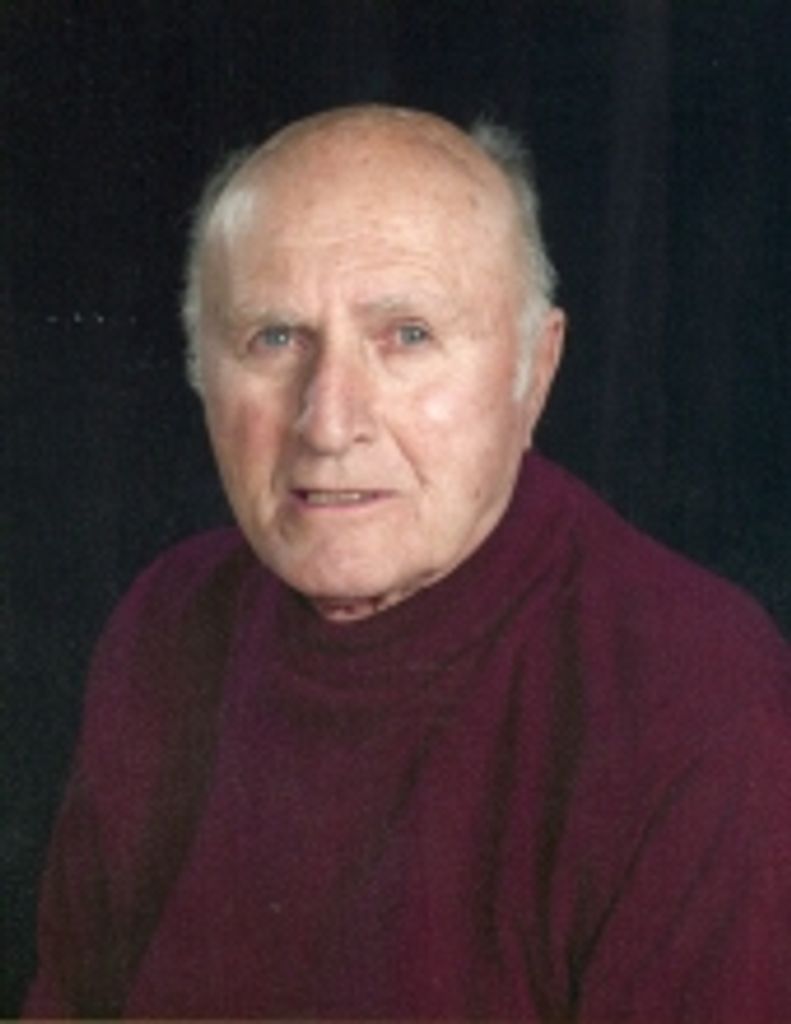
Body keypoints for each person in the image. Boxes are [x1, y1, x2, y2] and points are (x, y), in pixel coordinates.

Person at [25, 105, 791, 1021]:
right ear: (202, 371)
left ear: (534, 370)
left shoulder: (689, 694)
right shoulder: (167, 622)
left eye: (408, 336)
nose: (327, 422)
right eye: (275, 338)